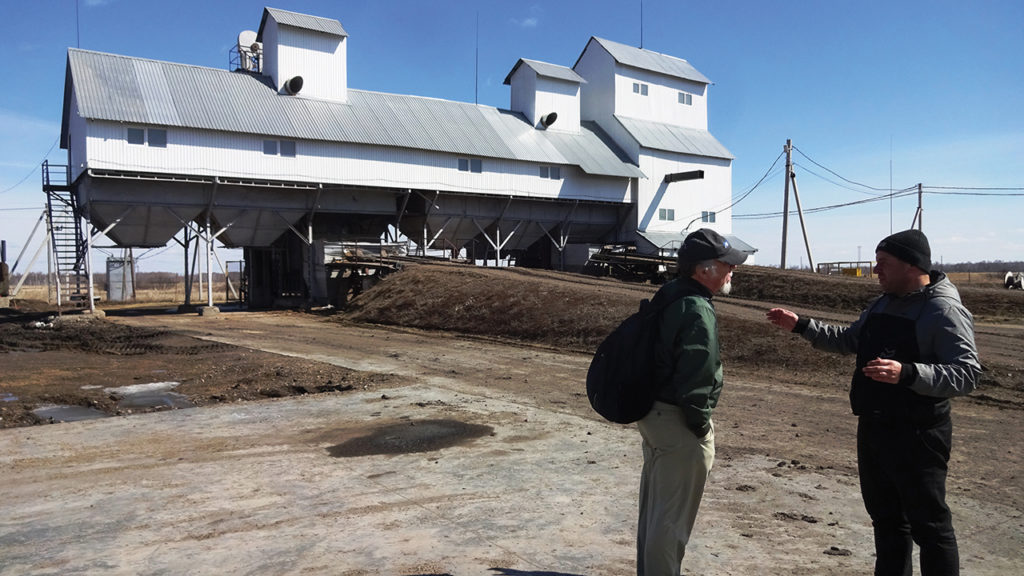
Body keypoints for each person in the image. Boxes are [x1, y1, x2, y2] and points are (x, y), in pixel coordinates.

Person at [766, 229, 980, 576]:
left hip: (919, 435)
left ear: (912, 266)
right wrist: (802, 326)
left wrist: (909, 373)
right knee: (888, 523)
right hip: (875, 428)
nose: (875, 270)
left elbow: (967, 374)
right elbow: (851, 339)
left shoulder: (942, 310)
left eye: (883, 263)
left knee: (931, 528)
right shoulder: (882, 303)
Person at [636, 228, 747, 575]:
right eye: (725, 264)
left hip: (654, 415)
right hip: (678, 422)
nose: (732, 271)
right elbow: (695, 377)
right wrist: (699, 427)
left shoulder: (670, 294)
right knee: (671, 522)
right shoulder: (697, 310)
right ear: (703, 271)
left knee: (655, 513)